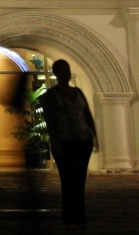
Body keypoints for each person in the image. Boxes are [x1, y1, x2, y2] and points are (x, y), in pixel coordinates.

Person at [37, 59, 96, 226]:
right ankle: (70, 216)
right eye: (62, 71)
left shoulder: (77, 92)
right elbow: (50, 121)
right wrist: (55, 142)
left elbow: (87, 114)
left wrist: (94, 136)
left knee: (80, 179)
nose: (65, 74)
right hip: (64, 142)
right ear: (56, 73)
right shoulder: (50, 95)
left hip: (83, 140)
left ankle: (79, 216)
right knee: (68, 180)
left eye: (67, 70)